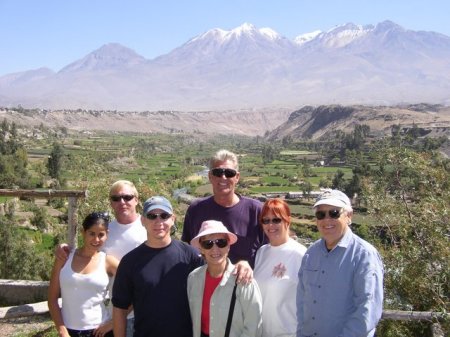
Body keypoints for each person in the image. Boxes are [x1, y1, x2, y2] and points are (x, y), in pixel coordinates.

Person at [56, 180, 147, 337]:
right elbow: (87, 255)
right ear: (110, 202)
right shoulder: (104, 231)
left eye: (127, 197)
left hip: (145, 312)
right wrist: (64, 249)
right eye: (116, 198)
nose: (122, 202)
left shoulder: (149, 227)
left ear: (137, 200)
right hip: (116, 314)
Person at [296, 189, 384, 337]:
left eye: (334, 213)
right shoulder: (311, 254)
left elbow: (367, 310)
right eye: (321, 214)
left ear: (349, 216)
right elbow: (302, 302)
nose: (326, 219)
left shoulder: (364, 255)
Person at [112, 196, 203, 337]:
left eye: (164, 216)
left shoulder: (191, 256)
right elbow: (120, 309)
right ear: (143, 221)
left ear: (173, 219)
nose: (158, 221)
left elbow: (216, 280)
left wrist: (241, 265)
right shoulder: (130, 262)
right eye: (152, 216)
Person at [182, 149, 265, 270]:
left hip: (243, 286)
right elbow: (188, 251)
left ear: (237, 177)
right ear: (210, 176)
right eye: (218, 172)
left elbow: (270, 250)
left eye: (229, 173)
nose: (223, 177)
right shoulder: (196, 210)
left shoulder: (256, 210)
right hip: (204, 285)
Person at [48, 212, 119, 337]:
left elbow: (135, 289)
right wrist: (61, 329)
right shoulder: (64, 257)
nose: (96, 239)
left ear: (107, 235)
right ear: (83, 232)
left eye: (101, 235)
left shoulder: (108, 261)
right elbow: (52, 299)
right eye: (91, 233)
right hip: (68, 332)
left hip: (100, 331)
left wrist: (113, 323)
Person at [188, 220, 263, 337]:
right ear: (201, 249)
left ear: (228, 246)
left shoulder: (244, 280)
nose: (215, 249)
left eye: (221, 242)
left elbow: (253, 327)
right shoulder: (193, 278)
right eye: (208, 244)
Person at [254, 198, 307, 337]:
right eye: (266, 220)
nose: (270, 225)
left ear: (287, 220)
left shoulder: (301, 254)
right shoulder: (261, 252)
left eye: (276, 220)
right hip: (261, 332)